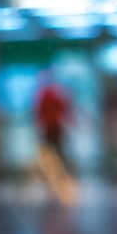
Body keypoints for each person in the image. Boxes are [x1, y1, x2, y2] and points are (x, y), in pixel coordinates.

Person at [33, 70, 76, 204]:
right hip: (52, 127)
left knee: (54, 153)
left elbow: (60, 110)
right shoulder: (50, 94)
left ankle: (58, 178)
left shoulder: (49, 94)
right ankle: (56, 177)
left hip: (53, 128)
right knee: (54, 153)